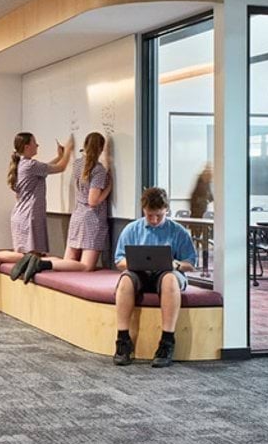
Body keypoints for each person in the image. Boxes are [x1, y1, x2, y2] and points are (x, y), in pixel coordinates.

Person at [111, 187, 198, 369]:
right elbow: (119, 260)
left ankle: (167, 341)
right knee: (125, 281)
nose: (154, 220)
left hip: (168, 273)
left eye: (159, 215)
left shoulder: (178, 231)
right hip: (139, 273)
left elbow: (191, 263)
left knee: (169, 280)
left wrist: (176, 264)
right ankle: (123, 339)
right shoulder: (132, 229)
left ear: (166, 209)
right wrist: (133, 263)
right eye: (150, 215)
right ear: (144, 210)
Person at [0, 131, 72, 279]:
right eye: (34, 142)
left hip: (22, 215)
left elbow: (46, 167)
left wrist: (60, 156)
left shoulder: (23, 164)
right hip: (30, 216)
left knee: (28, 256)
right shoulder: (31, 165)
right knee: (31, 257)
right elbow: (61, 168)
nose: (37, 145)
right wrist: (69, 149)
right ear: (27, 146)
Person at [18, 131, 111, 283]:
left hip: (77, 216)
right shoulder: (99, 170)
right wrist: (108, 188)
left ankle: (38, 262)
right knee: (86, 266)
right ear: (101, 149)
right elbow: (93, 201)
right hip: (92, 220)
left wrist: (63, 154)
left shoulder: (77, 164)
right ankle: (42, 263)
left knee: (69, 261)